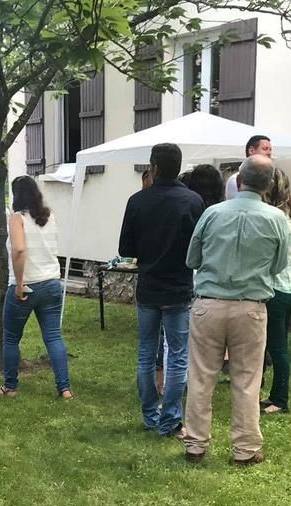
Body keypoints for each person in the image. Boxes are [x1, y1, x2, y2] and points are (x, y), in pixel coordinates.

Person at [183, 155, 289, 465]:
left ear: (239, 180)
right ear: (269, 185)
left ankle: (195, 445)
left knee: (201, 376)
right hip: (250, 307)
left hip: (208, 304)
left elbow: (192, 258)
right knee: (247, 379)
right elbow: (280, 264)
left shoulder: (212, 213)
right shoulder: (276, 219)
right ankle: (244, 449)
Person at [118, 142, 205, 436]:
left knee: (146, 352)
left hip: (149, 287)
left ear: (153, 167)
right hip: (179, 286)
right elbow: (199, 247)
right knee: (178, 354)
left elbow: (125, 248)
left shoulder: (137, 201)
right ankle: (169, 419)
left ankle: (149, 415)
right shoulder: (193, 201)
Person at [0, 176, 72, 398]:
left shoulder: (17, 218)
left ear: (17, 195)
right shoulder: (50, 217)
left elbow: (18, 250)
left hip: (27, 284)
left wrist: (19, 284)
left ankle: (9, 386)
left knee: (10, 337)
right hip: (52, 282)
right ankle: (64, 388)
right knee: (53, 336)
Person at [260, 167, 291, 414]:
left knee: (276, 346)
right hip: (290, 285)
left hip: (275, 288)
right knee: (278, 344)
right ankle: (274, 394)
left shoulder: (272, 218)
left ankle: (280, 399)